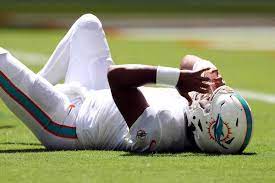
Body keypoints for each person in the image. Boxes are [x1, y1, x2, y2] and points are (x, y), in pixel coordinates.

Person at [0, 14, 253, 153]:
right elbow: (190, 60)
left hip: (66, 122)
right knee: (88, 25)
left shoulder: (158, 131)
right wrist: (209, 78)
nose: (207, 95)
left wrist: (177, 79)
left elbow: (117, 77)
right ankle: (18, 95)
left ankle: (20, 94)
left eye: (210, 100)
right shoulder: (196, 119)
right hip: (94, 93)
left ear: (206, 122)